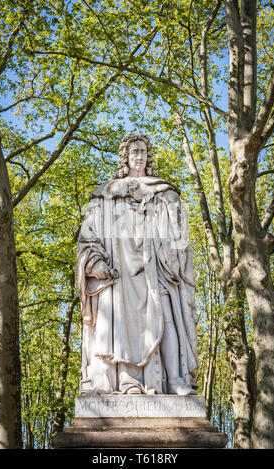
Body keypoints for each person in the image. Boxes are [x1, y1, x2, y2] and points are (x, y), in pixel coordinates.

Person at [76, 133, 198, 395]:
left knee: (166, 319)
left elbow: (178, 232)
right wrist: (95, 263)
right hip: (120, 276)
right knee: (119, 324)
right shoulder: (106, 194)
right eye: (134, 152)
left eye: (143, 151)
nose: (139, 156)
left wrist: (158, 213)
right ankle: (128, 382)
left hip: (156, 268)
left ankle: (175, 379)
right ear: (125, 157)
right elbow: (88, 238)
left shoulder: (163, 191)